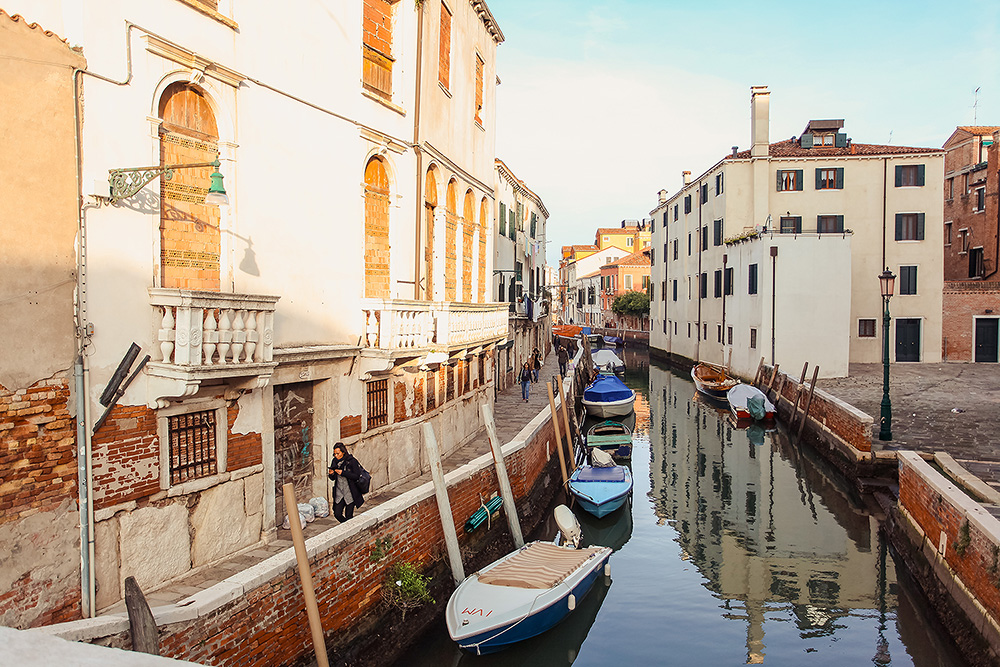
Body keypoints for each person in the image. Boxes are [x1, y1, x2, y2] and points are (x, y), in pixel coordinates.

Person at [328, 442, 365, 523]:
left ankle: (349, 527)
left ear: (343, 452)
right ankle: (347, 525)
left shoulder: (352, 461)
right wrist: (331, 474)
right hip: (339, 492)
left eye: (338, 453)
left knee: (349, 515)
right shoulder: (334, 461)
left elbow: (356, 476)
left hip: (350, 492)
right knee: (337, 514)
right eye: (334, 454)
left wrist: (343, 473)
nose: (336, 456)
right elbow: (332, 478)